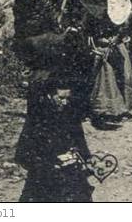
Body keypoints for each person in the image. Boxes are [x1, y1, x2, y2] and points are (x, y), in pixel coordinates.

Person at [16, 74, 94, 202]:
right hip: (45, 175)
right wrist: (51, 163)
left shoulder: (70, 113)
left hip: (70, 171)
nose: (64, 102)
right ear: (49, 95)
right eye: (61, 98)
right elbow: (24, 154)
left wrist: (86, 158)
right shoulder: (38, 119)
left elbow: (79, 138)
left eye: (67, 98)